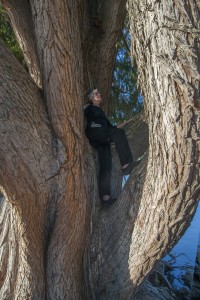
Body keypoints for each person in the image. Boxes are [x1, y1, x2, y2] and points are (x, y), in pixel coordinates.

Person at [84, 89, 139, 207]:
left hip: (103, 138)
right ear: (91, 98)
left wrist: (121, 125)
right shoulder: (88, 108)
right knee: (119, 133)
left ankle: (105, 198)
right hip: (95, 132)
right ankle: (126, 166)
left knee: (106, 165)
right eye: (96, 93)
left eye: (99, 92)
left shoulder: (102, 113)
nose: (99, 94)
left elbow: (111, 128)